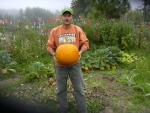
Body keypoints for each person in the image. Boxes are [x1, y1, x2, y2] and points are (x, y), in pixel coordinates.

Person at [46, 8, 89, 113]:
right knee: (61, 90)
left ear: (72, 18)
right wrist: (53, 54)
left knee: (79, 89)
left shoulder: (77, 30)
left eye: (69, 15)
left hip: (75, 64)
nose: (67, 18)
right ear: (61, 17)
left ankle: (83, 110)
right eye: (64, 15)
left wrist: (80, 52)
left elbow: (86, 44)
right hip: (60, 65)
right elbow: (49, 46)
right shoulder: (55, 31)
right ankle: (63, 109)